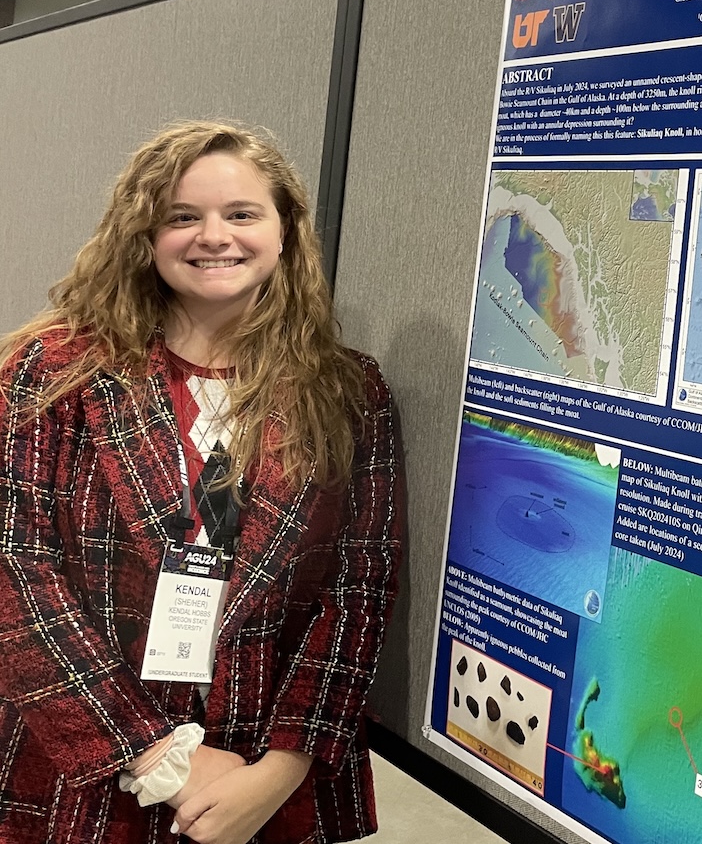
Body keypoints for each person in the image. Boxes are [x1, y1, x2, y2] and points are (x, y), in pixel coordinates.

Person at [0, 122, 405, 843]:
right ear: (144, 235)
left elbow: (359, 589)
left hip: (261, 770)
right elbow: (16, 573)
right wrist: (160, 756)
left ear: (285, 231)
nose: (213, 236)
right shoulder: (52, 372)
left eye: (241, 214)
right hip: (89, 762)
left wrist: (278, 770)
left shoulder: (348, 390)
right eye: (182, 216)